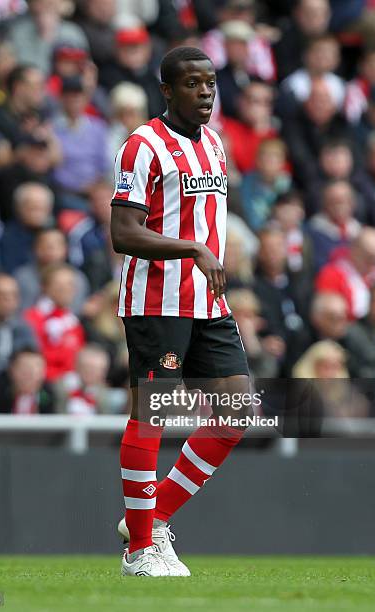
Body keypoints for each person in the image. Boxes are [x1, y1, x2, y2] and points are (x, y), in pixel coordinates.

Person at [110, 46, 251, 577]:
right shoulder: (143, 145)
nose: (206, 92)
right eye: (192, 84)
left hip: (208, 303)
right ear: (167, 91)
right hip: (156, 301)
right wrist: (192, 250)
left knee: (237, 412)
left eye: (211, 83)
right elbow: (123, 233)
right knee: (153, 415)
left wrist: (207, 258)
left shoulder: (214, 144)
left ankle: (150, 519)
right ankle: (140, 552)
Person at [0, 348, 57, 414]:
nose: (30, 376)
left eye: (37, 369)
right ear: (11, 370)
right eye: (25, 369)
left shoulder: (52, 395)